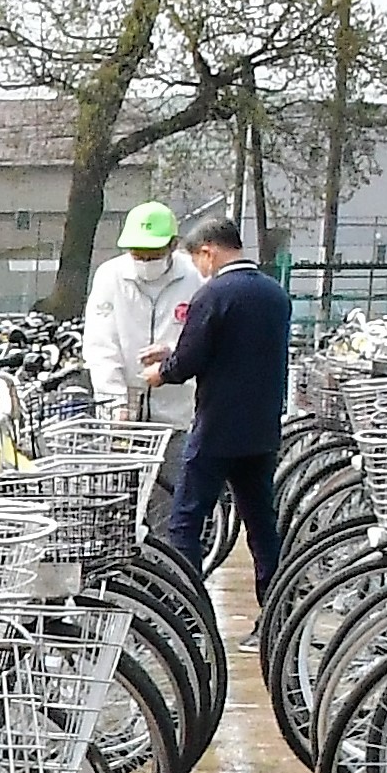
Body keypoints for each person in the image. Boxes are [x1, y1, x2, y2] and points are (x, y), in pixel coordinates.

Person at [149, 213, 295, 589]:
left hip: (217, 427)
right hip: (262, 427)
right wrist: (173, 350)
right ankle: (276, 615)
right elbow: (237, 347)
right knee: (262, 525)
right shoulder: (274, 293)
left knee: (185, 522)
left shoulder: (213, 294)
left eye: (197, 258)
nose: (198, 268)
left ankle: (187, 610)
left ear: (208, 252)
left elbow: (190, 360)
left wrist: (161, 372)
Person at [82, 202, 191, 425]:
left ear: (173, 245)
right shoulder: (110, 276)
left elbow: (207, 340)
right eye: (137, 255)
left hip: (181, 410)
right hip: (124, 411)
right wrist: (115, 401)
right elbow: (101, 345)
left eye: (153, 255)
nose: (144, 262)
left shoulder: (195, 276)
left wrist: (173, 351)